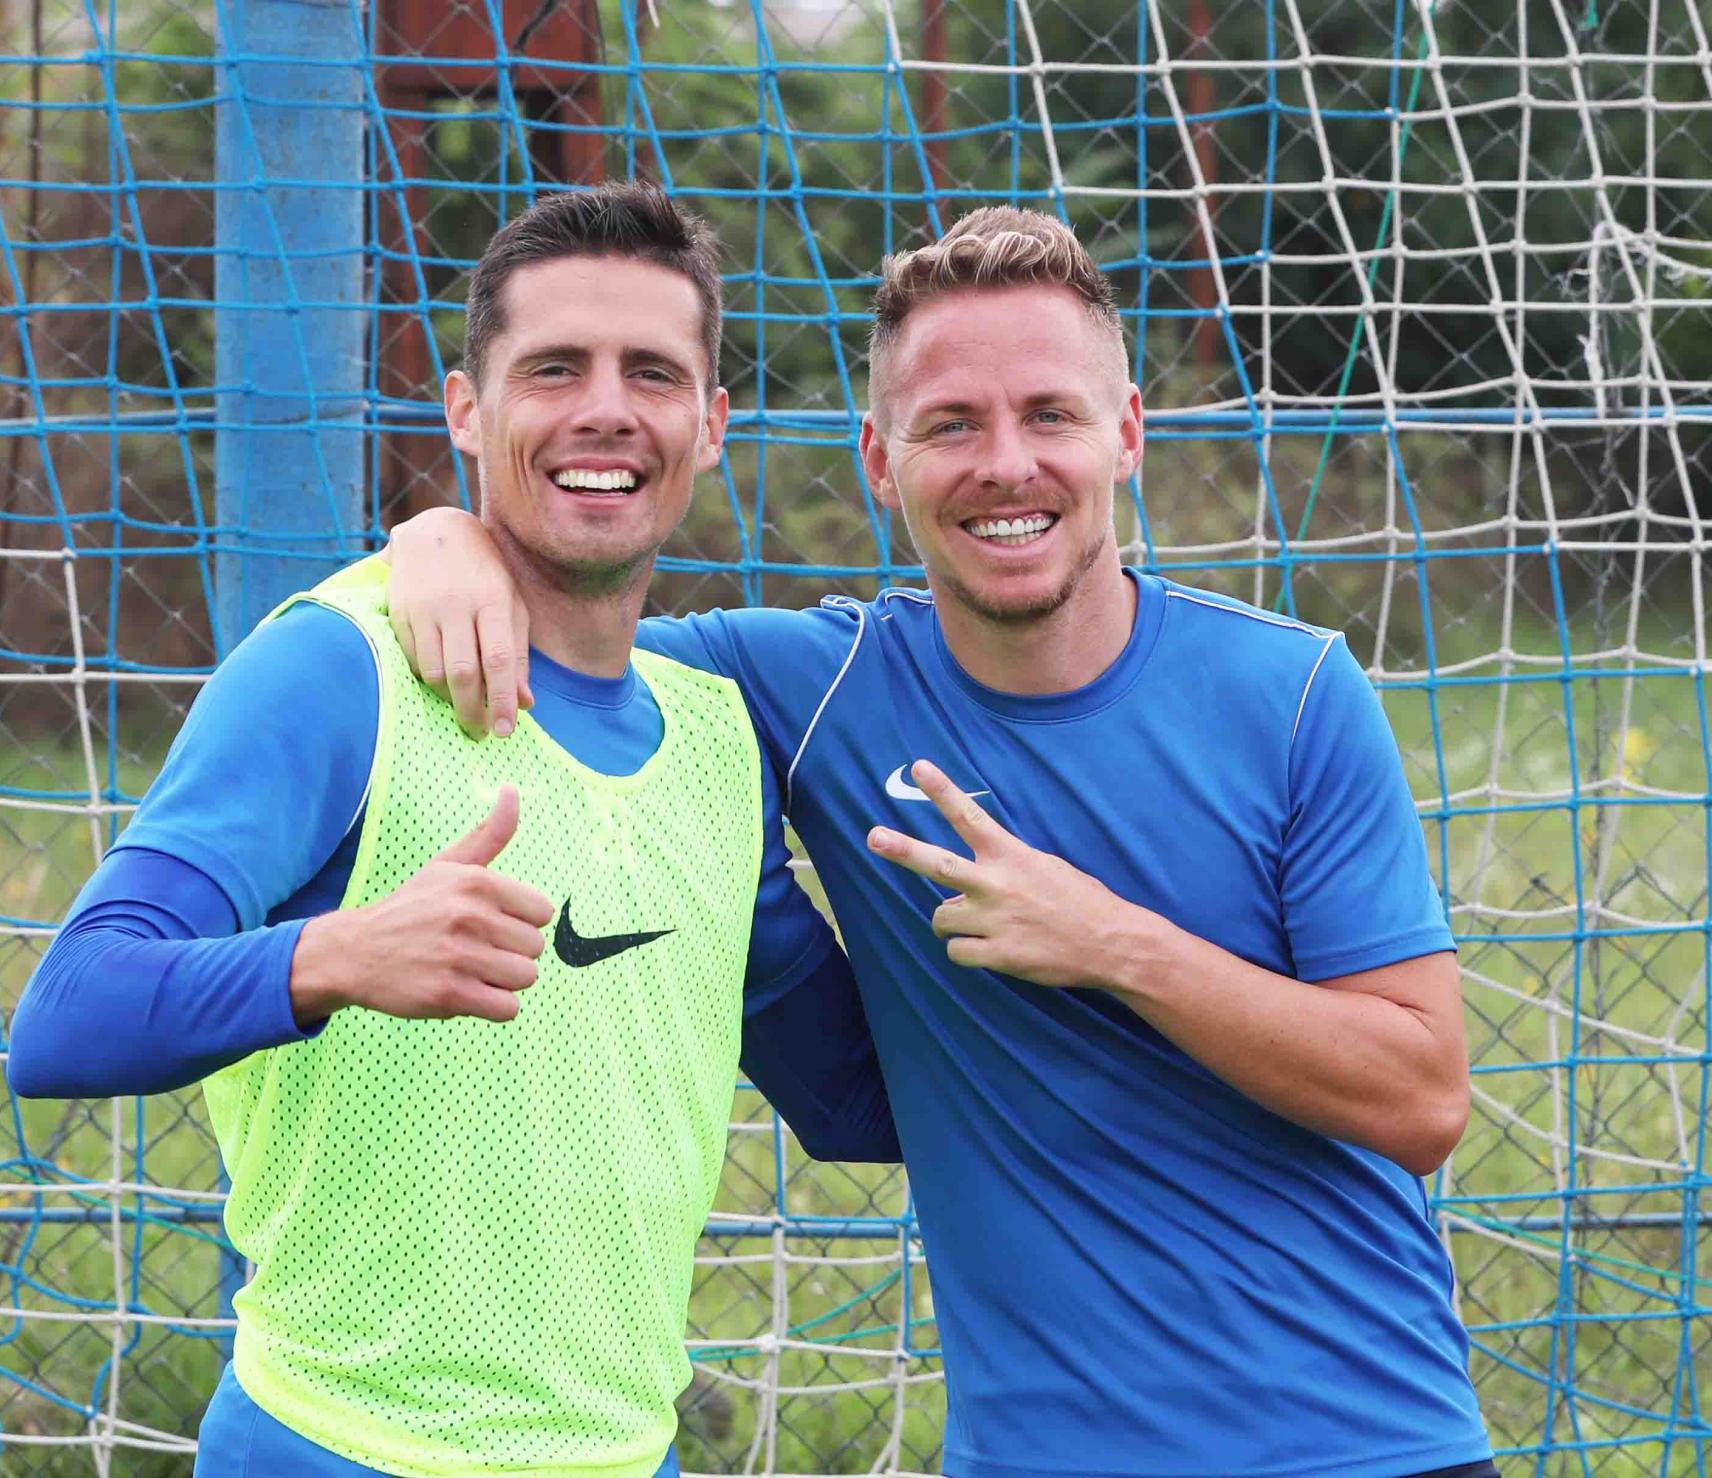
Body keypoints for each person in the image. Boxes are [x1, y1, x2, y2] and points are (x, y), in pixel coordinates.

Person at [384, 206, 1496, 1478]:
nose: (1005, 464)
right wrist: (443, 536)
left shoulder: (1292, 695)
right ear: (879, 457)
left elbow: (1423, 1097)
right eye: (952, 424)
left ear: (1127, 433)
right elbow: (574, 636)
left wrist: (1116, 944)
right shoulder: (812, 689)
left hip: (1369, 1443)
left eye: (1051, 414)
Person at [6, 182, 897, 1478]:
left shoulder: (719, 740)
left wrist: (1117, 977)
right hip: (335, 1445)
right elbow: (66, 1013)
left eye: (652, 371)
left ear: (710, 425)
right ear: (467, 411)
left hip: (623, 1456)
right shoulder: (338, 669)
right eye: (554, 368)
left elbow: (857, 1096)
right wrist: (333, 956)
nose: (606, 407)